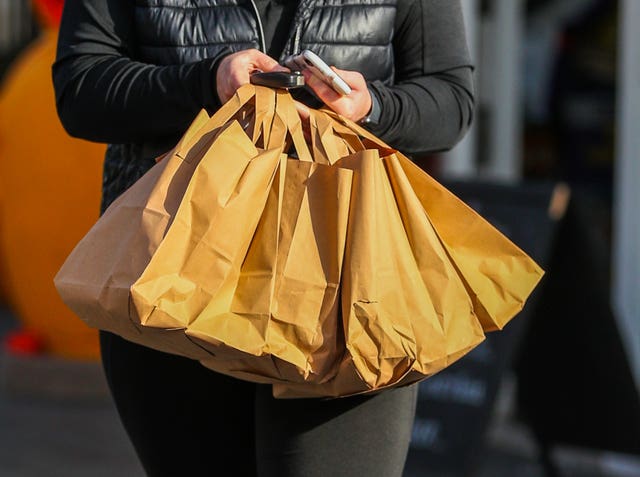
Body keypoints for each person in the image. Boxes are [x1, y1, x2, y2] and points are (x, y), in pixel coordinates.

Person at [53, 1, 475, 476]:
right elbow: (80, 89)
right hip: (170, 273)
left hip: (346, 279)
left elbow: (450, 100)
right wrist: (207, 82)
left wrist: (370, 105)